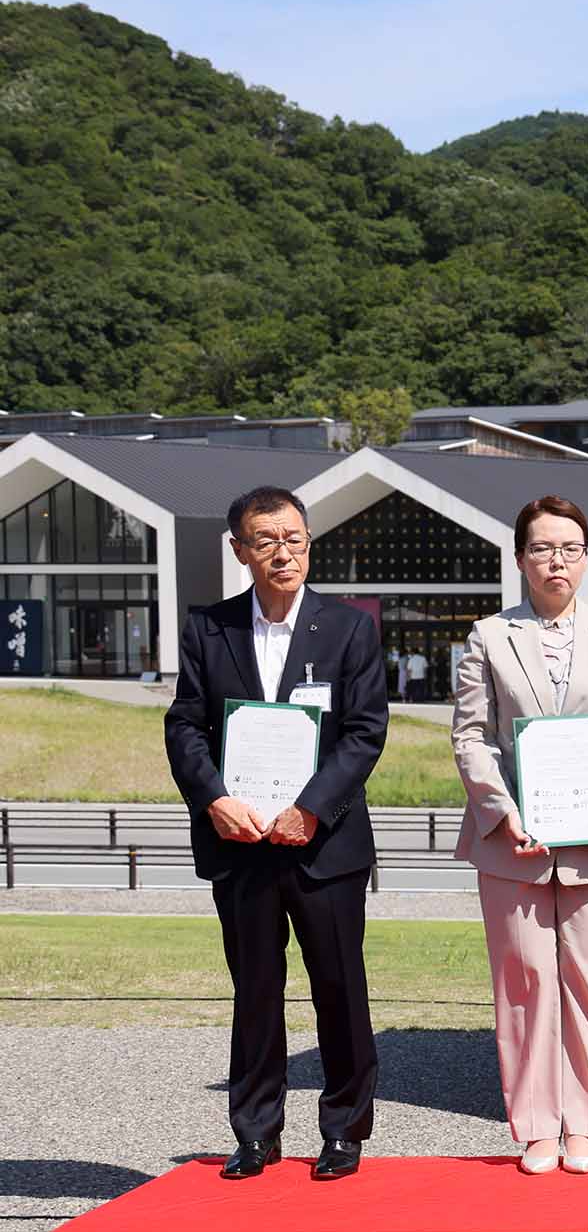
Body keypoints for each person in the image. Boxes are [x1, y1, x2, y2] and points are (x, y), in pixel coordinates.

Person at [164, 485, 389, 1182]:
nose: (282, 552)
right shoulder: (211, 627)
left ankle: (344, 1129)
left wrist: (312, 807)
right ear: (240, 550)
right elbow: (184, 724)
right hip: (242, 842)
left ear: (308, 542)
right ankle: (256, 1132)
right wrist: (215, 799)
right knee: (255, 990)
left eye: (293, 538)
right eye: (265, 540)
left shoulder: (349, 627)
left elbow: (364, 732)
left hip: (323, 844)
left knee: (339, 988)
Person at [451, 497, 588, 1176]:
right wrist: (501, 808)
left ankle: (587, 1125)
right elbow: (472, 737)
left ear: (586, 555)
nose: (557, 561)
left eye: (570, 547)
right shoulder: (488, 637)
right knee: (525, 982)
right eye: (542, 548)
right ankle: (537, 1124)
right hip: (514, 842)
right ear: (520, 559)